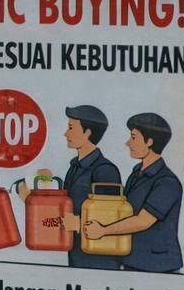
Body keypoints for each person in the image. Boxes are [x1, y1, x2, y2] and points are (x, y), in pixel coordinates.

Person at [82, 113, 183, 273]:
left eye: (134, 137)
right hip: (132, 261)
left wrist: (103, 230)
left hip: (158, 267)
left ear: (149, 141)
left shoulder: (166, 182)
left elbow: (143, 221)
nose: (128, 143)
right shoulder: (136, 173)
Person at [25, 105, 122, 270]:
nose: (66, 134)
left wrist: (78, 224)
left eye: (71, 128)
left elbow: (113, 218)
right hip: (77, 256)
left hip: (100, 261)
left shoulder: (105, 170)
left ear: (87, 133)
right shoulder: (75, 167)